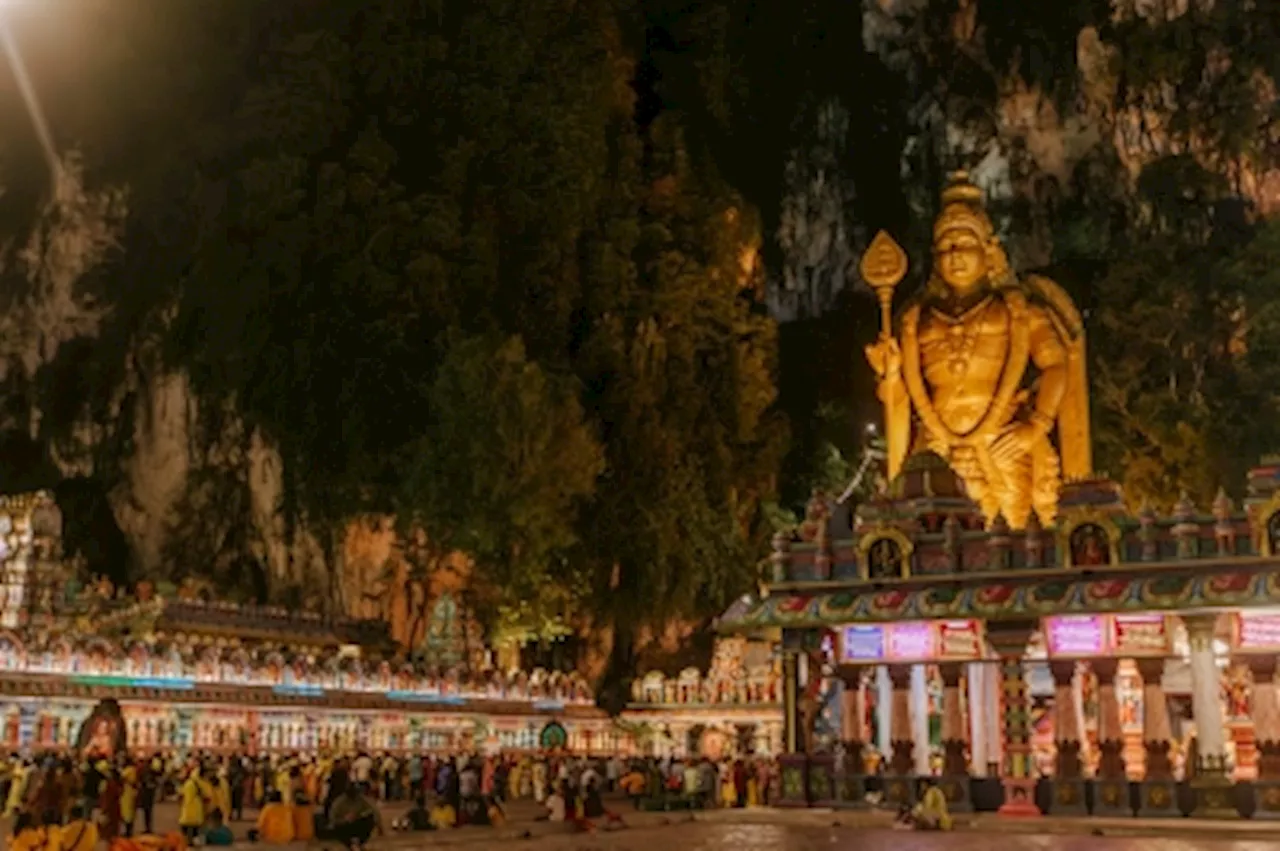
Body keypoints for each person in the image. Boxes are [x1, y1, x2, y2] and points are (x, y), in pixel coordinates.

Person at [329, 784, 383, 850]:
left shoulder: (361, 799)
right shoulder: (339, 802)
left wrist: (379, 825)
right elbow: (332, 818)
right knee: (336, 828)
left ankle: (359, 843)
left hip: (357, 823)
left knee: (369, 819)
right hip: (344, 825)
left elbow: (374, 810)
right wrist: (344, 820)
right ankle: (350, 845)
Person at [178, 767, 208, 841]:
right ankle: (193, 840)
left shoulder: (188, 783)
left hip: (188, 808)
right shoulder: (199, 782)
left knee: (186, 825)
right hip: (196, 808)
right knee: (194, 827)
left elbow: (181, 795)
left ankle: (187, 840)